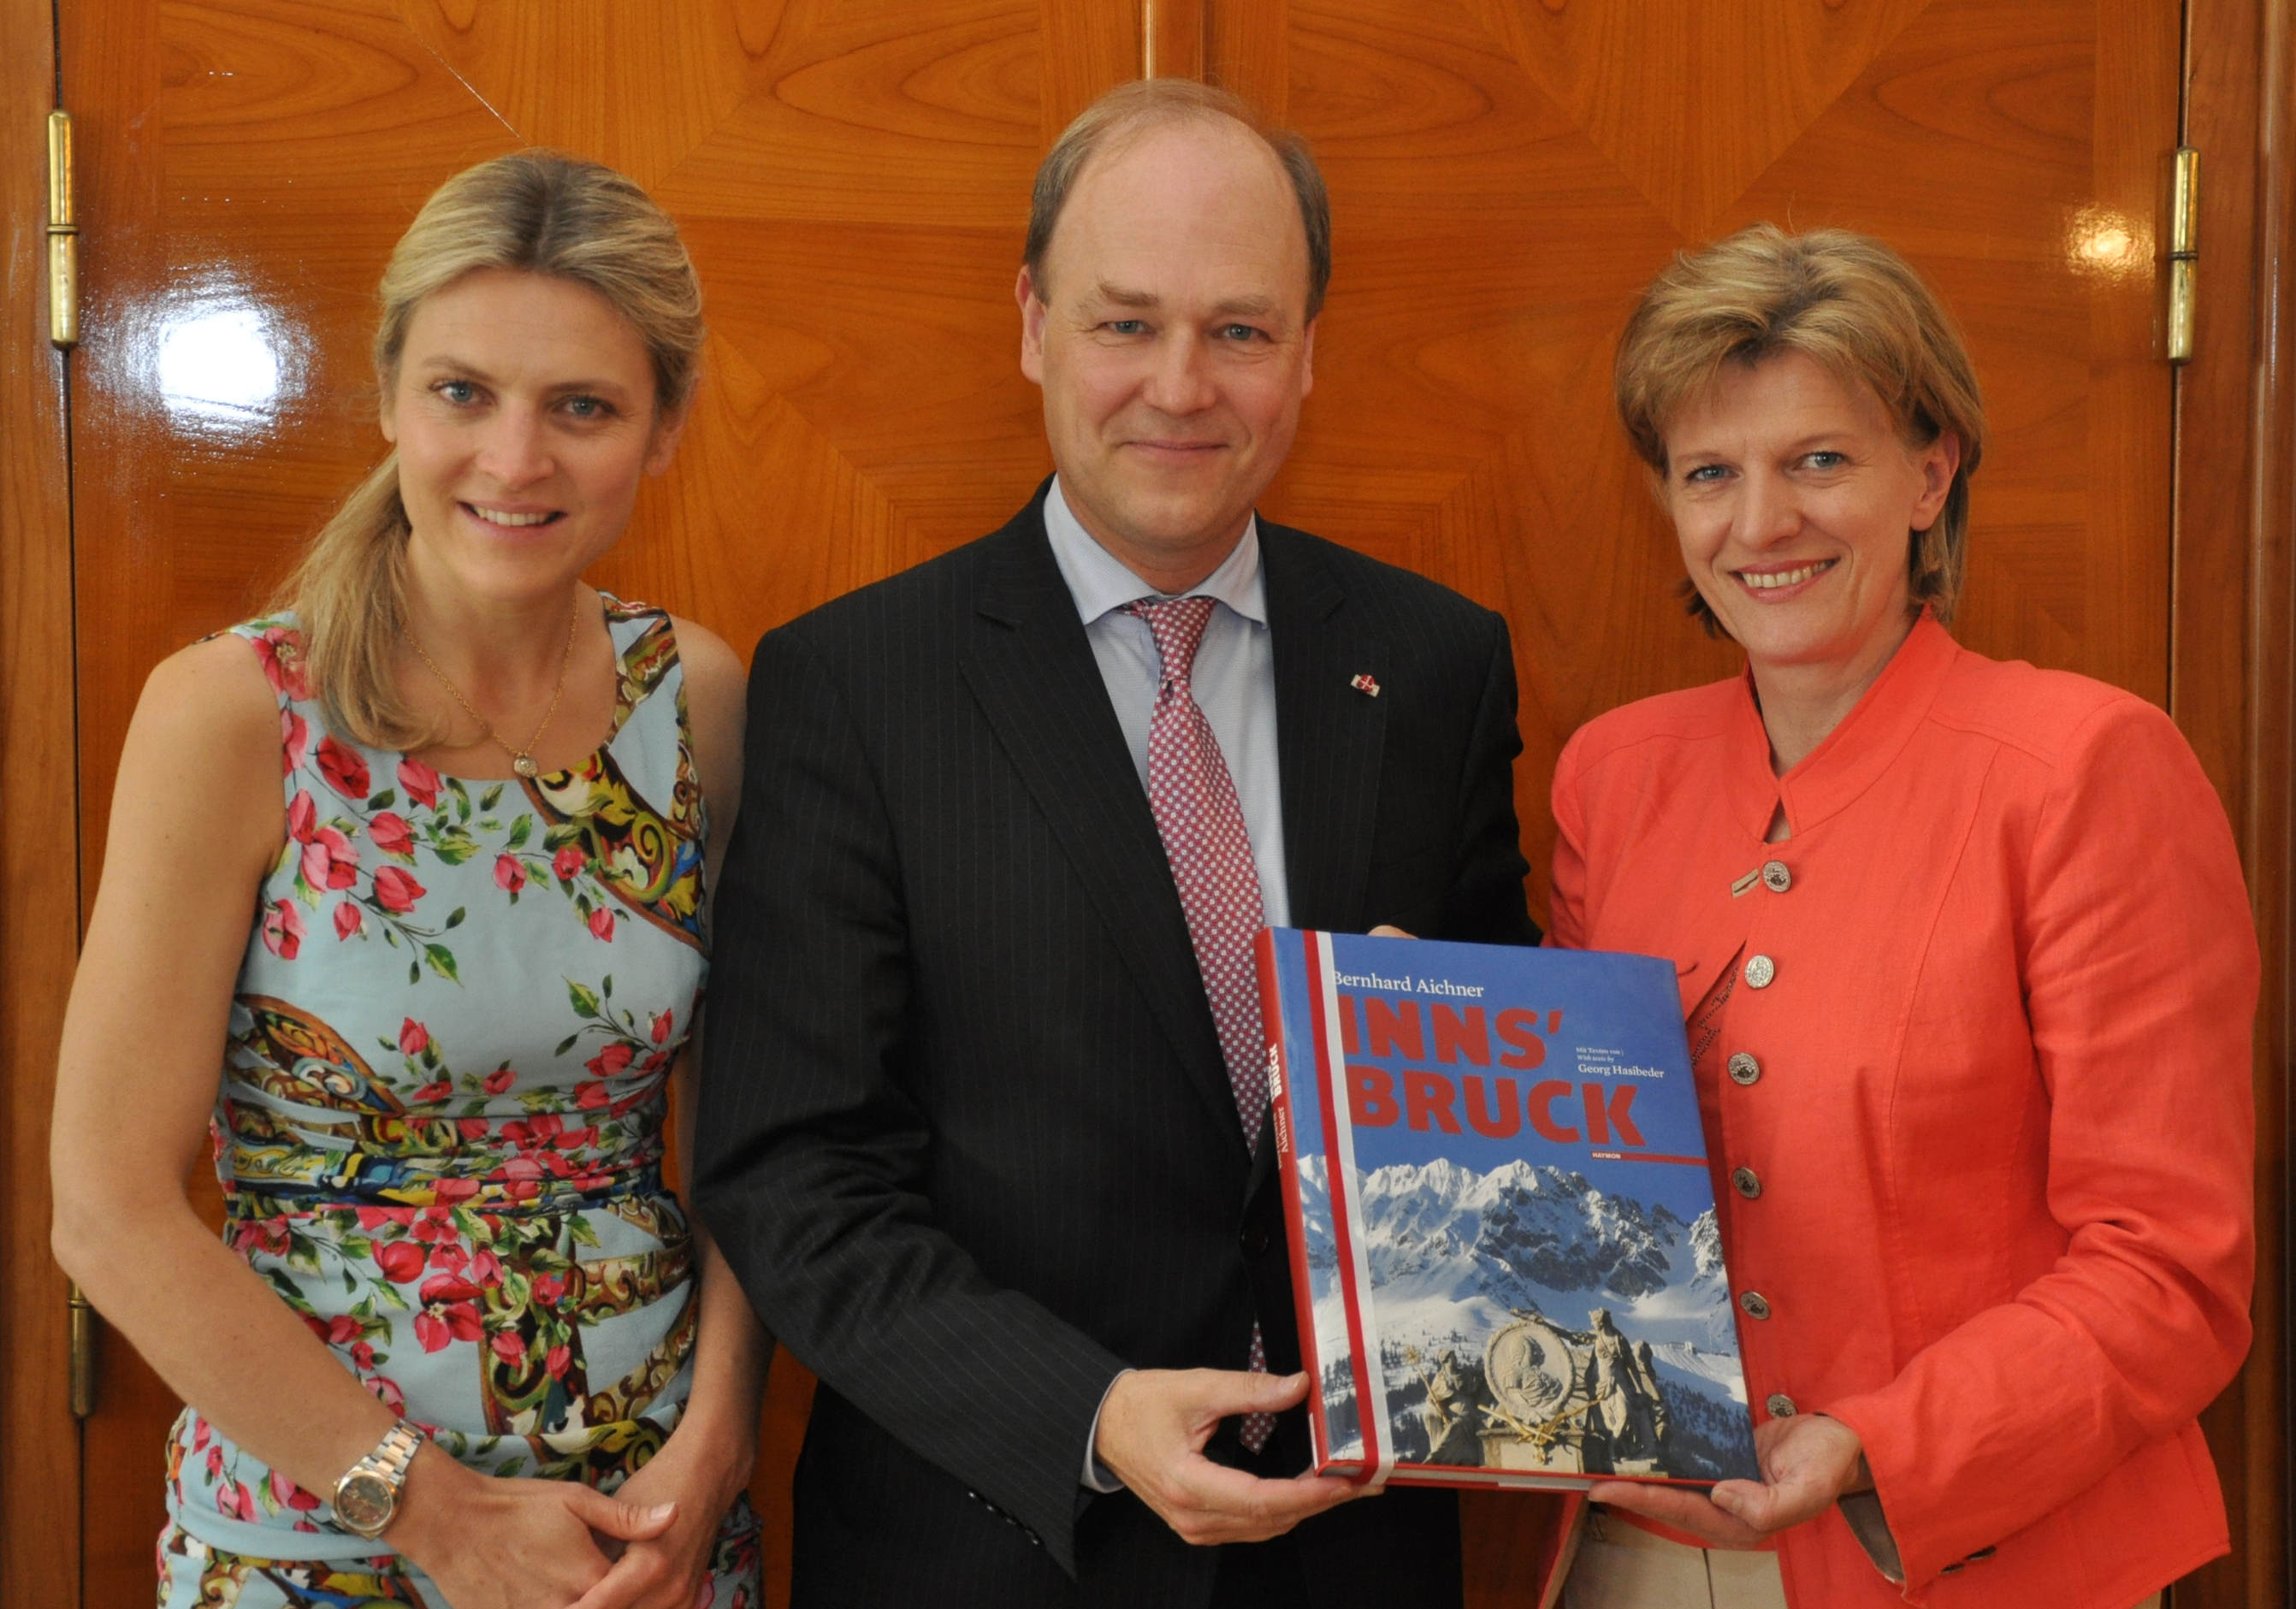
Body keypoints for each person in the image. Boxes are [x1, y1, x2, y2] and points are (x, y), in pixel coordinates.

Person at [692, 80, 1538, 1608]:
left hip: (1358, 1557)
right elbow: (792, 1169)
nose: (1180, 385)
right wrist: (1080, 1412)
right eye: (1123, 322)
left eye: (1239, 329)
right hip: (993, 1542)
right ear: (1030, 322)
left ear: (1306, 352)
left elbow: (1507, 1101)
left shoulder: (1433, 664)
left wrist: (1466, 1058)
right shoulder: (854, 684)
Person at [50, 151, 770, 1609]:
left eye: (583, 406)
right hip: (320, 1531)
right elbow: (108, 1205)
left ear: (664, 427)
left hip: (644, 1538)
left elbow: (752, 1124)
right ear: (387, 398)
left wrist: (720, 1440)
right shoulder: (235, 716)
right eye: (463, 393)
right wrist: (430, 1511)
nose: (516, 461)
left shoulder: (695, 698)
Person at [1545, 224, 2257, 1609]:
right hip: (1641, 1552)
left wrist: (1881, 1442)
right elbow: (1589, 1164)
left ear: (1930, 473)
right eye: (1711, 474)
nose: (1761, 524)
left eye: (1820, 459)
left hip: (1984, 1559)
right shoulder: (1611, 774)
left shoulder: (2085, 771)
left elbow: (2173, 1270)